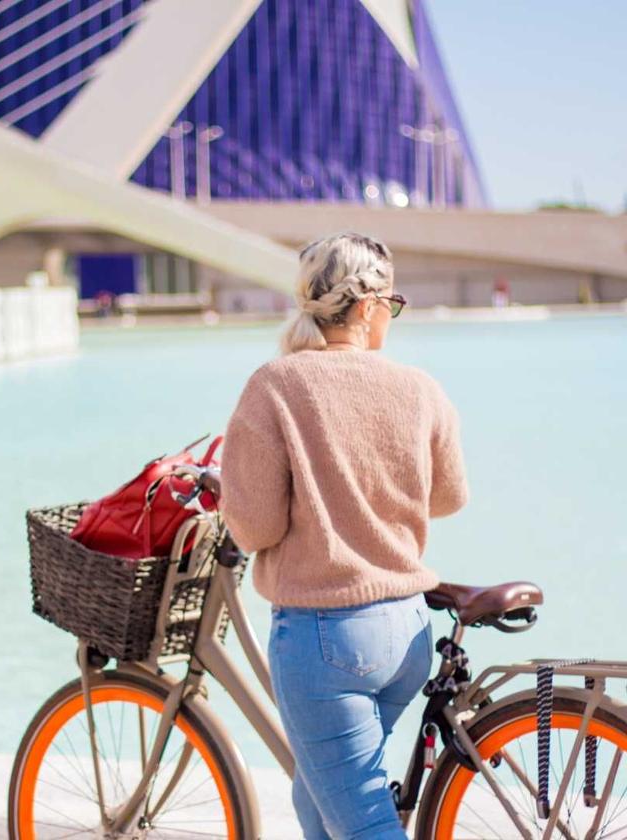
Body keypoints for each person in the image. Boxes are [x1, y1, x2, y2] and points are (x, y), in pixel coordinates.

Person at [218, 232, 468, 839]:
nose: (391, 315)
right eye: (391, 303)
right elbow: (450, 497)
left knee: (360, 820)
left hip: (327, 638)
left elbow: (255, 528)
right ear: (363, 307)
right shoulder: (420, 389)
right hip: (408, 630)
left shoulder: (277, 384)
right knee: (319, 802)